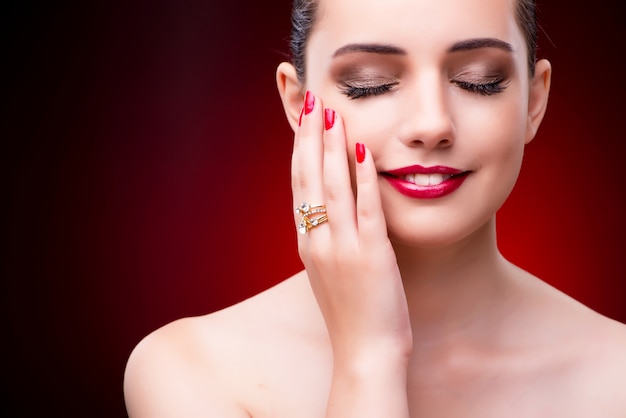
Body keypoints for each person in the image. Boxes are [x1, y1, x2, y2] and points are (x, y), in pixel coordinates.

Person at [123, 0, 626, 416]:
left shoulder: (615, 377)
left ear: (534, 101)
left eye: (479, 80)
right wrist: (369, 361)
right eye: (370, 83)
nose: (431, 124)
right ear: (299, 104)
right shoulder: (191, 371)